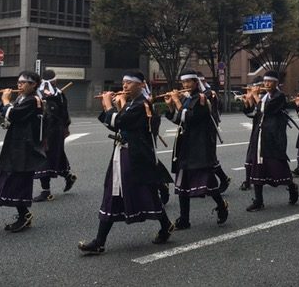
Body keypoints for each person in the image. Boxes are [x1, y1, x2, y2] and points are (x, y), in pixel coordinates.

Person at [78, 70, 173, 255]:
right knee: (113, 192)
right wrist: (110, 107)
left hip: (135, 155)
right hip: (122, 153)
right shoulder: (130, 103)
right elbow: (114, 124)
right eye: (123, 83)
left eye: (129, 83)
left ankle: (166, 225)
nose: (124, 86)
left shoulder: (142, 104)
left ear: (142, 85)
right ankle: (100, 241)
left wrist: (109, 107)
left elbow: (121, 121)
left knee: (144, 191)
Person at [164, 70, 228, 229]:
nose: (185, 86)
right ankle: (184, 219)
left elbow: (192, 118)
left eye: (188, 82)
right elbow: (179, 120)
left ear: (195, 82)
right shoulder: (186, 99)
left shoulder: (202, 98)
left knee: (207, 181)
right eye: (183, 83)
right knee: (182, 182)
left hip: (199, 146)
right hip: (184, 145)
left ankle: (221, 205)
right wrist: (171, 106)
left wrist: (177, 103)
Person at [0, 71, 46, 232]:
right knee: (12, 178)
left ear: (33, 84)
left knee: (18, 181)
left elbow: (14, 114)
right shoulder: (23, 98)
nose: (19, 85)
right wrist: (7, 104)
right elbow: (8, 114)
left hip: (25, 147)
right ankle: (23, 214)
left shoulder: (33, 100)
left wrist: (6, 100)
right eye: (18, 82)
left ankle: (24, 215)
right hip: (17, 144)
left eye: (23, 82)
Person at [241, 71, 298, 211]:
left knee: (277, 166)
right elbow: (253, 114)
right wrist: (248, 100)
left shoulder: (280, 97)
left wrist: (254, 96)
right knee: (257, 166)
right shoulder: (264, 97)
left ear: (276, 83)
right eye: (265, 81)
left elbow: (266, 109)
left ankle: (291, 186)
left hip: (273, 137)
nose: (266, 84)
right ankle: (258, 200)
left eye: (270, 82)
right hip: (260, 136)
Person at [33, 70, 77, 202]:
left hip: (48, 130)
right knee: (56, 153)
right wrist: (65, 127)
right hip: (54, 129)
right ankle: (68, 176)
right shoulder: (57, 93)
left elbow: (58, 113)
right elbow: (65, 113)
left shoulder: (46, 94)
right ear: (54, 81)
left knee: (44, 157)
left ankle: (46, 191)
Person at [196, 71, 231, 194]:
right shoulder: (197, 93)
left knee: (209, 157)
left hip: (209, 129)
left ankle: (223, 179)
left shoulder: (209, 93)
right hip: (197, 130)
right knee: (199, 157)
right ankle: (202, 186)